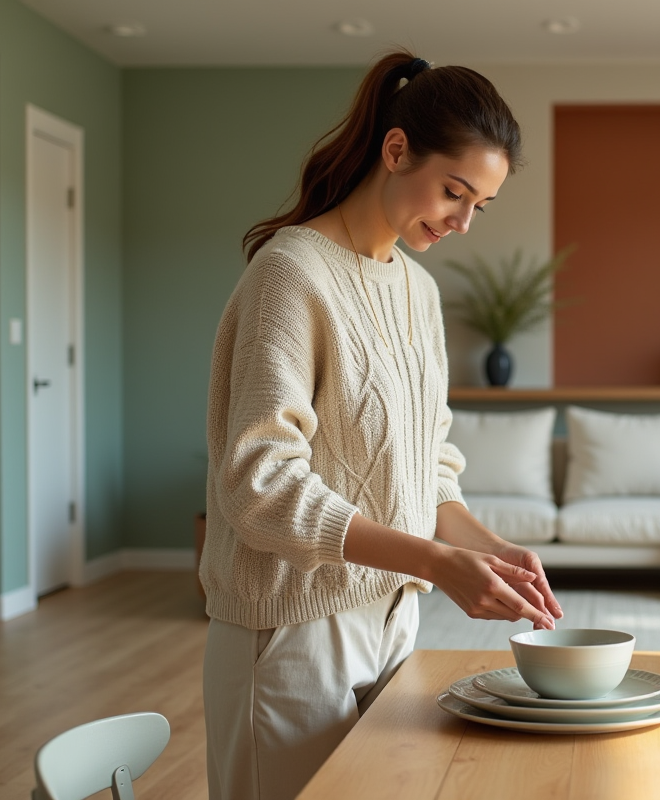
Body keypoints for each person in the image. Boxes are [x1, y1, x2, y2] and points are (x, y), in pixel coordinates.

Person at [200, 50, 564, 800]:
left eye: (479, 206)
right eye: (454, 192)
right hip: (291, 631)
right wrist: (433, 562)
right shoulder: (290, 272)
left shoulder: (418, 293)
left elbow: (428, 469)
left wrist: (490, 551)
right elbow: (258, 484)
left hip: (393, 620)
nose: (463, 222)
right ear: (396, 150)